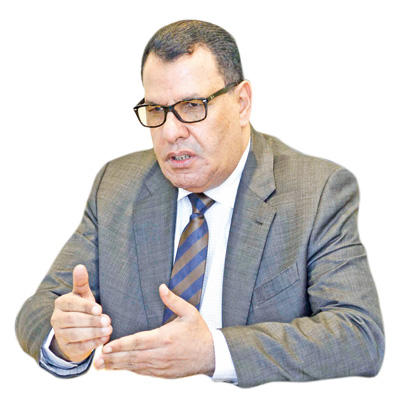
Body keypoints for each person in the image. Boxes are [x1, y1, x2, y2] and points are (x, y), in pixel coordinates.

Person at [15, 19, 384, 388]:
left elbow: (359, 335)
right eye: (156, 110)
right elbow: (38, 310)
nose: (170, 132)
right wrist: (64, 337)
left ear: (242, 103)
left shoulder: (316, 192)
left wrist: (214, 352)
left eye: (192, 106)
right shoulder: (117, 185)